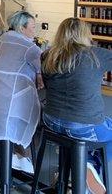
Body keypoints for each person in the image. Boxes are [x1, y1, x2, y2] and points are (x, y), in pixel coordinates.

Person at [42, 18, 112, 194]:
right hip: (83, 126)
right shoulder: (95, 54)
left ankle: (80, 166)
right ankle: (86, 165)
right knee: (107, 131)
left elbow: (48, 85)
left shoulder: (47, 55)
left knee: (98, 130)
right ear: (84, 34)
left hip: (51, 122)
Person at [0, 11, 43, 174]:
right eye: (33, 27)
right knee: (40, 119)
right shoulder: (29, 47)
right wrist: (40, 74)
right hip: (9, 103)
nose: (35, 31)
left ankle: (11, 155)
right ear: (22, 28)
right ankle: (23, 156)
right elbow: (44, 65)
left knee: (27, 112)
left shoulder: (2, 38)